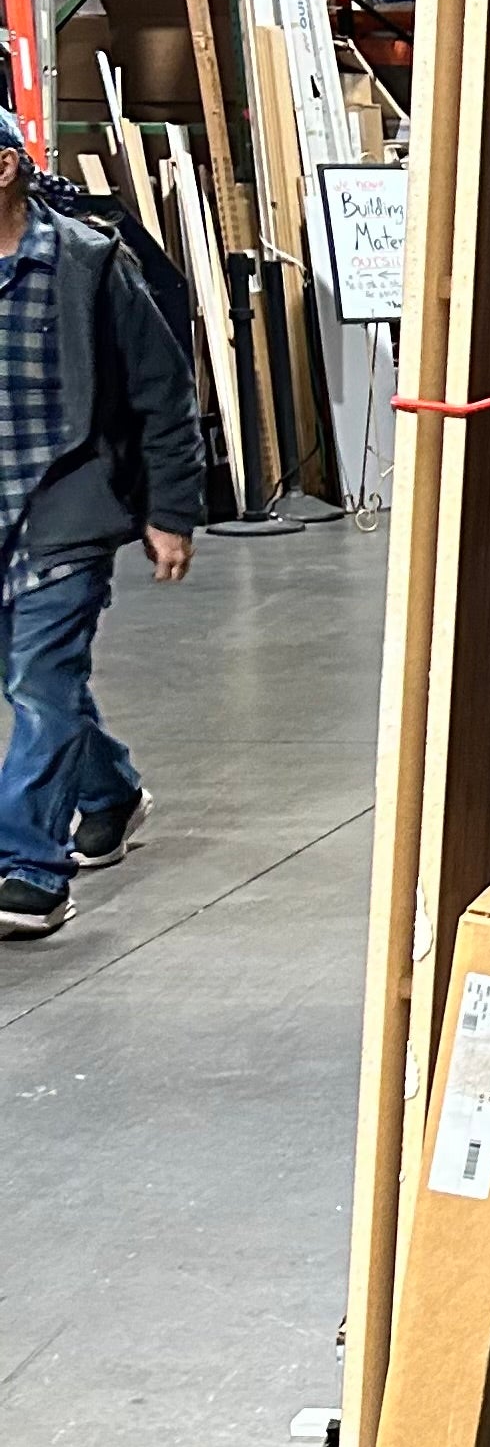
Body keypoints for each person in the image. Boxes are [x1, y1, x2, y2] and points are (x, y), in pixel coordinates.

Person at [0, 101, 203, 939]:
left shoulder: (87, 263)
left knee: (38, 685)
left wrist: (172, 512)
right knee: (46, 689)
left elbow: (162, 391)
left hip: (64, 513)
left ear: (3, 166)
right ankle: (112, 791)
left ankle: (28, 870)